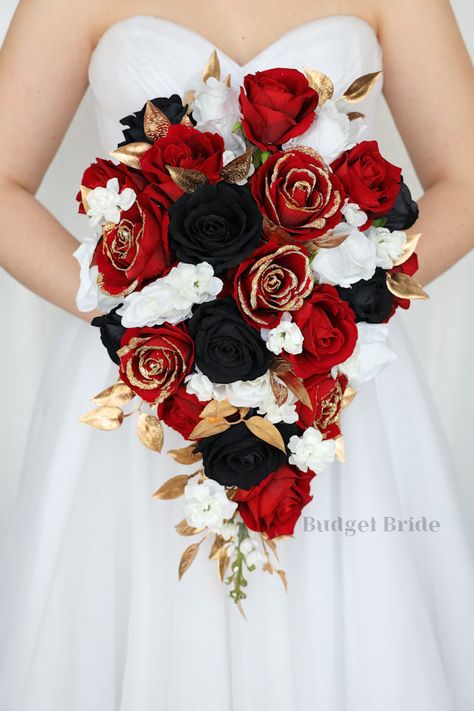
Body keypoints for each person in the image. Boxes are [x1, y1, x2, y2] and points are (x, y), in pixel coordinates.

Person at [0, 1, 473, 709]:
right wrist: (132, 306)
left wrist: (339, 298)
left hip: (325, 369)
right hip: (145, 381)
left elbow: (465, 177)